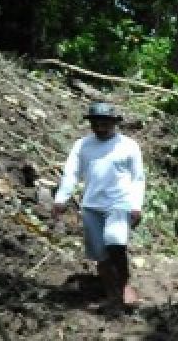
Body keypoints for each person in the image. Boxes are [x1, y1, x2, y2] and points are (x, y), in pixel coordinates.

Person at [52, 102, 146, 311]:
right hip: (92, 205)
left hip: (119, 203)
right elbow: (72, 173)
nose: (101, 127)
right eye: (97, 123)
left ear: (114, 123)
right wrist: (61, 199)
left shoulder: (128, 145)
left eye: (105, 123)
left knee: (116, 243)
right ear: (91, 123)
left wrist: (136, 205)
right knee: (100, 254)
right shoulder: (82, 145)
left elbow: (138, 178)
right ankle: (111, 293)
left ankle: (123, 286)